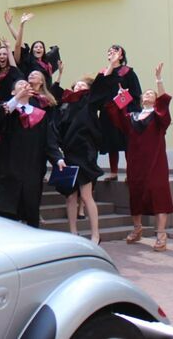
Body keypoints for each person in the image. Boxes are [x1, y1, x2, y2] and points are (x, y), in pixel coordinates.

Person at [98, 61, 172, 252]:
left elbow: (164, 104)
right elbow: (117, 113)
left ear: (155, 100)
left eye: (151, 94)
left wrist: (158, 80)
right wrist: (121, 95)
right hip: (136, 163)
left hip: (155, 163)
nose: (148, 95)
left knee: (158, 194)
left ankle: (161, 234)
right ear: (140, 100)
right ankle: (137, 228)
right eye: (145, 94)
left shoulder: (159, 117)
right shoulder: (132, 117)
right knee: (136, 194)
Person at [0, 79, 65, 228]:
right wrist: (15, 99)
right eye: (20, 84)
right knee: (5, 217)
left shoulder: (40, 115)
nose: (24, 85)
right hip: (7, 170)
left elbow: (49, 141)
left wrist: (58, 159)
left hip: (31, 171)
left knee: (30, 214)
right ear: (12, 92)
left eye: (26, 84)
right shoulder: (6, 110)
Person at [55, 77, 103, 244]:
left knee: (86, 195)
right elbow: (58, 128)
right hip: (68, 153)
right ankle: (73, 232)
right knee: (70, 196)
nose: (78, 86)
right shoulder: (65, 105)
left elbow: (100, 87)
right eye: (77, 84)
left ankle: (95, 234)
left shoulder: (90, 103)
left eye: (83, 84)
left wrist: (110, 68)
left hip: (85, 154)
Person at [96, 44, 141, 182]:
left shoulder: (128, 72)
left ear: (121, 56)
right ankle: (113, 172)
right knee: (112, 142)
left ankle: (130, 172)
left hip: (124, 112)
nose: (111, 52)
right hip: (108, 112)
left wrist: (124, 98)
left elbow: (136, 93)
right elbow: (98, 93)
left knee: (128, 142)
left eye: (115, 51)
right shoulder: (104, 73)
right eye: (109, 51)